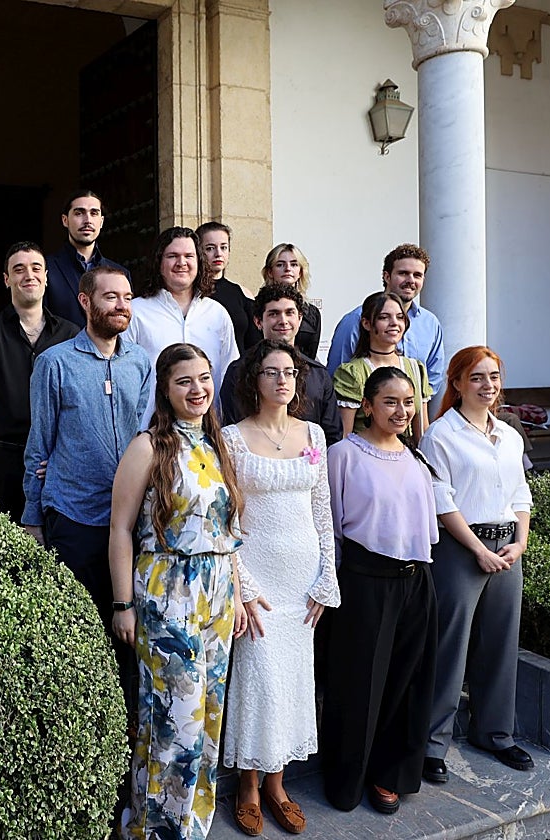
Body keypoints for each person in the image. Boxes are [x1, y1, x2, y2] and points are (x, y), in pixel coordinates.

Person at [109, 342, 248, 840]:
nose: (198, 389)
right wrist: (123, 603)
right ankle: (155, 830)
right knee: (174, 724)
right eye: (185, 381)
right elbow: (120, 528)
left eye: (204, 378)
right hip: (166, 590)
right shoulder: (149, 445)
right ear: (165, 391)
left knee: (208, 720)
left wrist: (236, 594)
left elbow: (225, 531)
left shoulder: (217, 445)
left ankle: (192, 825)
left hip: (217, 596)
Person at [220, 339, 339, 837]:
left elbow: (322, 510)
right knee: (257, 681)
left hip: (302, 581)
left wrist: (326, 576)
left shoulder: (313, 433)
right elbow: (225, 519)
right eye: (271, 372)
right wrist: (242, 586)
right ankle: (247, 786)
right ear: (254, 380)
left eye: (290, 372)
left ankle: (277, 783)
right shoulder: (230, 438)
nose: (283, 380)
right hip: (258, 576)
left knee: (292, 681)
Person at [22, 265, 151, 722]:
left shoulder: (140, 362)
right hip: (74, 517)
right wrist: (33, 520)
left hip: (131, 522)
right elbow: (39, 445)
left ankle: (126, 741)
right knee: (83, 638)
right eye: (111, 297)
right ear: (85, 302)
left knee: (129, 637)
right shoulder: (54, 363)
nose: (121, 306)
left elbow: (145, 435)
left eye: (128, 297)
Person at [322, 366, 439, 816]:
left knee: (407, 682)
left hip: (415, 581)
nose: (401, 411)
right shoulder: (344, 455)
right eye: (390, 401)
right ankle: (347, 779)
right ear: (367, 406)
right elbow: (330, 527)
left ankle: (390, 775)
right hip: (364, 581)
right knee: (358, 684)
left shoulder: (415, 458)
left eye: (408, 402)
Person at [419, 347, 534, 784]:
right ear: (458, 383)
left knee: (501, 642)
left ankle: (495, 732)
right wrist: (477, 550)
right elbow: (441, 500)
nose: (488, 385)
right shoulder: (441, 435)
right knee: (451, 646)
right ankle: (433, 743)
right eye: (478, 377)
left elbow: (520, 493)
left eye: (494, 377)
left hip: (507, 547)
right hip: (461, 548)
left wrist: (519, 543)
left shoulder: (508, 434)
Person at [0, 241, 79, 518]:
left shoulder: (71, 334)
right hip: (7, 459)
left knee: (60, 542)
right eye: (19, 269)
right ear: (7, 279)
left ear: (46, 278)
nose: (29, 275)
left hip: (60, 460)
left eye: (36, 268)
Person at [125, 226, 238, 423]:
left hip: (207, 432)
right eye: (172, 256)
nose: (181, 263)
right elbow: (124, 378)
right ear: (159, 262)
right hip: (151, 430)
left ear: (199, 262)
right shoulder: (136, 312)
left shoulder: (217, 313)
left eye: (189, 256)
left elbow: (230, 374)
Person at [220, 284, 342, 445]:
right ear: (258, 321)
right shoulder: (238, 371)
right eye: (274, 314)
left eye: (289, 313)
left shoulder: (318, 375)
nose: (283, 321)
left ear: (299, 319)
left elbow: (332, 437)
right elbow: (233, 428)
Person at [326, 244, 445, 401]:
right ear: (386, 276)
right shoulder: (354, 320)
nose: (410, 280)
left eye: (417, 275)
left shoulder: (430, 323)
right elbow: (336, 376)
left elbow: (433, 378)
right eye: (403, 273)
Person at [333, 291, 432, 443]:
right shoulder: (352, 373)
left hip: (406, 456)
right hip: (365, 457)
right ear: (366, 323)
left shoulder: (415, 368)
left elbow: (422, 431)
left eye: (400, 317)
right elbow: (344, 436)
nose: (394, 323)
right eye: (384, 317)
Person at [44, 190, 128, 328]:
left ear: (101, 222)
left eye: (94, 213)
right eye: (79, 213)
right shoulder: (46, 268)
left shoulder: (120, 273)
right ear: (65, 220)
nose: (87, 220)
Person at [198, 221, 262, 355]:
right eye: (210, 248)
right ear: (198, 252)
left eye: (224, 247)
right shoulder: (190, 293)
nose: (218, 254)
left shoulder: (243, 293)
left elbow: (254, 343)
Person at [260, 243, 321, 360]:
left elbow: (311, 353)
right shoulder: (258, 307)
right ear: (270, 272)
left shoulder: (312, 313)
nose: (288, 269)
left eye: (294, 264)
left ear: (300, 272)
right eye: (280, 265)